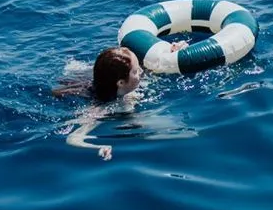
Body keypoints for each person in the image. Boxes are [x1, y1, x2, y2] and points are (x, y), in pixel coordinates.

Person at [52, 43, 185, 160]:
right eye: (136, 71)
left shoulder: (118, 81)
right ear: (121, 83)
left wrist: (170, 55)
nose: (140, 71)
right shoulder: (101, 109)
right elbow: (73, 138)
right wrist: (97, 147)